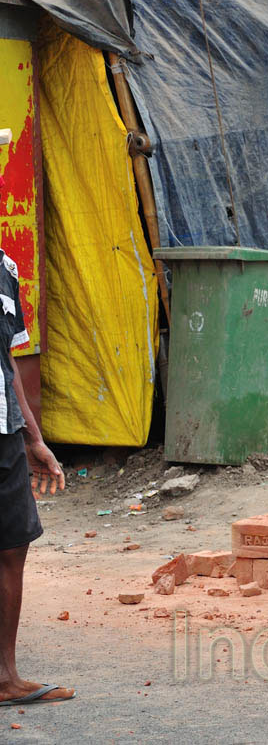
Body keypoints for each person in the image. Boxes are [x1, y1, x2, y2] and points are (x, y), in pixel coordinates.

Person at [0, 250, 73, 707]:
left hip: (4, 430)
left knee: (12, 546)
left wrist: (33, 438)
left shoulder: (4, 269)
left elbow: (7, 363)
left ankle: (5, 678)